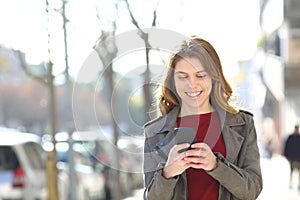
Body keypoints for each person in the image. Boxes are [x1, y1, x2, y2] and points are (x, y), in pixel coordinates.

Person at [143, 36, 263, 200]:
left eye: (200, 75)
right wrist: (168, 172)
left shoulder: (242, 124)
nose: (192, 84)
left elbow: (252, 190)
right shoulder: (155, 132)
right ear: (172, 80)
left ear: (214, 77)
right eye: (182, 76)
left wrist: (216, 166)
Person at [284, 124, 300, 189]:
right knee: (291, 171)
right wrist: (287, 156)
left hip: (298, 158)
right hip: (292, 158)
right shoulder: (290, 137)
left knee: (298, 172)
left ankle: (298, 184)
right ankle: (290, 184)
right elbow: (286, 147)